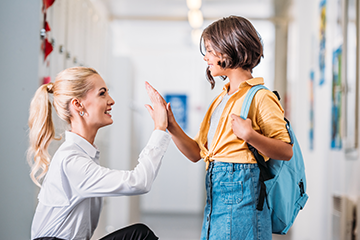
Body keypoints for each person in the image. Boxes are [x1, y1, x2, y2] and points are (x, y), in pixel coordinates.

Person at [146, 15, 293, 239]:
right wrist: (170, 124)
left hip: (243, 204)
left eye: (209, 50)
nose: (206, 58)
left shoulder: (260, 97)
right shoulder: (220, 100)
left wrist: (250, 135)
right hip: (216, 201)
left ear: (228, 49)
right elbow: (196, 153)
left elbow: (285, 150)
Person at [27, 67, 170, 240]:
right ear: (78, 104)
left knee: (138, 233)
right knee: (139, 235)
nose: (111, 101)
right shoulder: (71, 160)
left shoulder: (81, 154)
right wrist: (160, 129)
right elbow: (139, 182)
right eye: (102, 94)